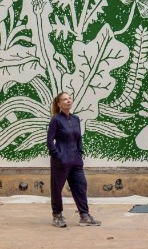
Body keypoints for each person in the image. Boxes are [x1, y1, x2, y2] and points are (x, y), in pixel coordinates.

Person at [47, 91, 98, 227]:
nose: (68, 100)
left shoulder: (75, 119)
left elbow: (79, 138)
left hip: (75, 160)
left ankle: (84, 216)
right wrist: (58, 155)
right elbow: (49, 140)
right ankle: (57, 216)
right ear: (59, 104)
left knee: (81, 185)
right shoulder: (56, 119)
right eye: (65, 99)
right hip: (61, 161)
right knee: (57, 188)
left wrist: (79, 152)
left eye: (69, 98)